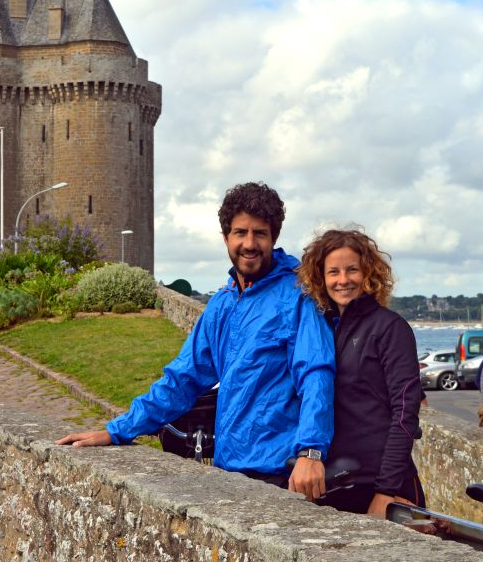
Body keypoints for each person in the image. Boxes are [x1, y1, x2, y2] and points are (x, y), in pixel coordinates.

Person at [57, 182, 335, 500]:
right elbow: (182, 379)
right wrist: (117, 430)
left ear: (273, 238)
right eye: (240, 232)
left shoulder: (298, 296)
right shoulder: (222, 303)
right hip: (230, 467)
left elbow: (315, 374)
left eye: (260, 233)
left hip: (282, 470)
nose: (249, 243)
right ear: (226, 237)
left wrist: (310, 452)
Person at [297, 228, 424, 517]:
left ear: (368, 273)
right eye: (333, 272)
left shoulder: (390, 328)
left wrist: (386, 491)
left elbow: (405, 413)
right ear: (321, 278)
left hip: (384, 485)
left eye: (352, 270)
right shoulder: (322, 330)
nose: (343, 280)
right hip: (336, 483)